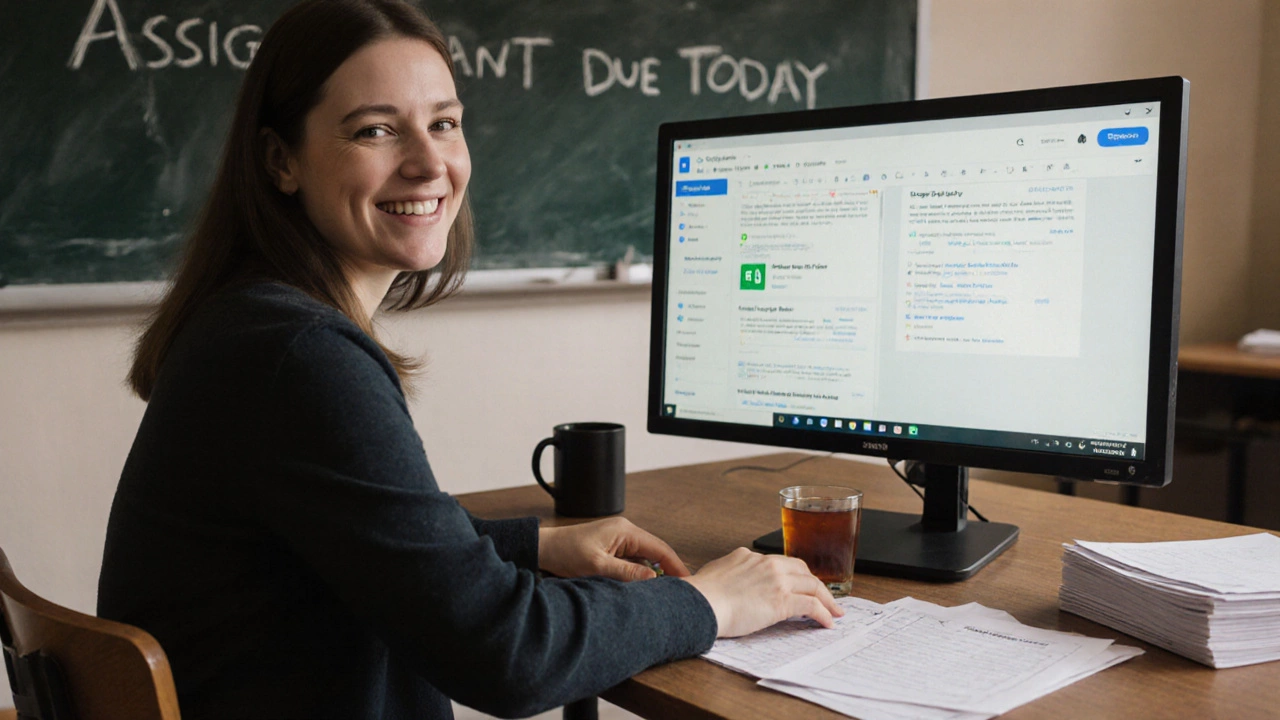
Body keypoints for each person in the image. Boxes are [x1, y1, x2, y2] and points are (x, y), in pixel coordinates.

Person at [97, 1, 842, 718]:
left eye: (444, 124)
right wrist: (710, 602)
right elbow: (508, 656)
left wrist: (533, 545)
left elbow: (364, 543)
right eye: (375, 131)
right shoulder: (299, 358)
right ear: (279, 160)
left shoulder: (251, 320)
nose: (428, 165)